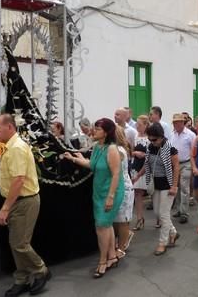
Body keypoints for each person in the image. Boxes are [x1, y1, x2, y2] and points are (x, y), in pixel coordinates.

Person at [0, 114, 51, 295]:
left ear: (10, 127)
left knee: (19, 244)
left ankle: (41, 270)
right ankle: (22, 279)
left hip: (24, 201)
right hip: (19, 201)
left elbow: (19, 180)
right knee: (16, 243)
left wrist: (5, 208)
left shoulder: (16, 148)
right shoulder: (11, 147)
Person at [65, 118, 123, 278]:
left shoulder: (112, 149)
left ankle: (103, 261)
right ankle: (112, 257)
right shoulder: (98, 147)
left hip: (111, 191)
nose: (93, 131)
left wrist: (110, 197)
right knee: (106, 225)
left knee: (101, 227)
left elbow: (116, 174)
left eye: (97, 129)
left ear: (106, 132)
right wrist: (74, 159)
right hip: (99, 191)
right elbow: (92, 165)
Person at [136, 123, 180, 255]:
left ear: (161, 137)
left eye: (154, 139)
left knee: (164, 214)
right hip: (155, 184)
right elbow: (147, 164)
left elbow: (176, 167)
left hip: (168, 184)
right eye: (150, 139)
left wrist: (174, 186)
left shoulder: (170, 149)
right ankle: (173, 233)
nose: (152, 142)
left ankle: (162, 243)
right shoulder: (150, 147)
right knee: (157, 213)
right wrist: (138, 175)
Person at [113, 126, 135, 257]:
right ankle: (125, 236)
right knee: (117, 220)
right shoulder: (117, 149)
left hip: (124, 187)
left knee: (122, 220)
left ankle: (121, 248)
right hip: (119, 186)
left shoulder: (119, 151)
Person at [170, 113, 196, 224]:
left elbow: (194, 150)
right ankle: (179, 210)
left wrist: (193, 164)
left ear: (182, 123)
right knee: (177, 187)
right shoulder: (172, 134)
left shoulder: (190, 135)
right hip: (175, 164)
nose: (175, 124)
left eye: (177, 122)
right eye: (174, 122)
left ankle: (184, 213)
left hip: (186, 163)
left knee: (184, 187)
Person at [131, 115, 151, 231]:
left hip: (146, 166)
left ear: (146, 125)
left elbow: (151, 154)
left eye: (139, 125)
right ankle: (139, 218)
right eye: (136, 124)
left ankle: (159, 218)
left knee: (150, 191)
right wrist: (134, 153)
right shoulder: (135, 136)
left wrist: (143, 155)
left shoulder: (150, 138)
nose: (137, 127)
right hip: (136, 166)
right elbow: (131, 150)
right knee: (137, 193)